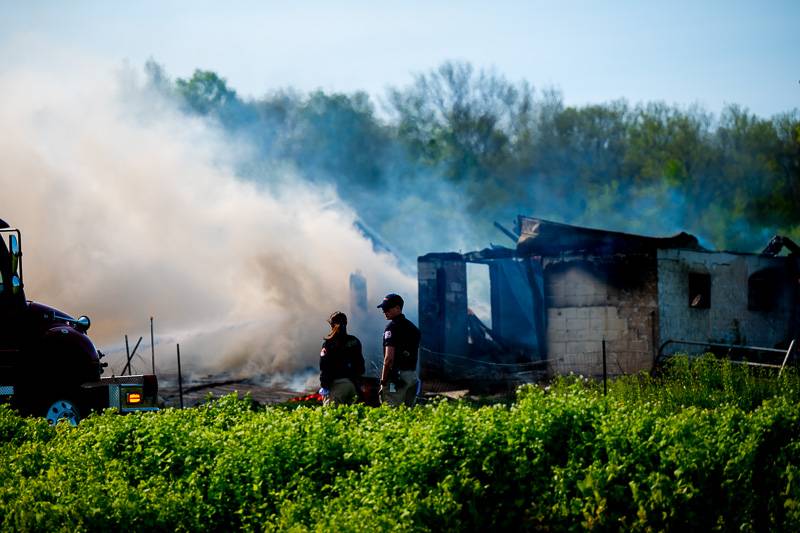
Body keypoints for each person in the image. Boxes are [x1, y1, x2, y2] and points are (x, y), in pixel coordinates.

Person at [377, 293, 420, 406]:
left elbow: (389, 359)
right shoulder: (413, 328)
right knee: (408, 414)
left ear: (397, 308)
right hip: (412, 377)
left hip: (396, 379)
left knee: (391, 414)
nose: (384, 311)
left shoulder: (391, 328)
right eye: (383, 308)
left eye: (387, 308)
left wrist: (383, 381)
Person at [319, 311, 365, 405]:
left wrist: (324, 385)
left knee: (331, 416)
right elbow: (361, 366)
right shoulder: (355, 341)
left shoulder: (329, 343)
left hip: (337, 386)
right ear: (346, 323)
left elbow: (324, 366)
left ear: (332, 325)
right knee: (351, 417)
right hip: (353, 386)